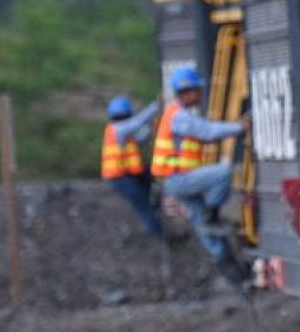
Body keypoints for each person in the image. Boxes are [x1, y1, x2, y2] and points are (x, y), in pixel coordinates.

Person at [152, 66, 248, 285]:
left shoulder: (176, 115)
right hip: (180, 180)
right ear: (187, 91)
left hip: (176, 181)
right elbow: (207, 131)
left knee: (205, 230)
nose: (201, 94)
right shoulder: (179, 116)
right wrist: (240, 128)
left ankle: (235, 276)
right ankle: (212, 212)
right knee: (223, 174)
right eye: (197, 90)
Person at [101, 96, 163, 238]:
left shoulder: (124, 133)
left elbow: (143, 135)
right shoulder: (118, 130)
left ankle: (156, 208)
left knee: (151, 173)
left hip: (129, 175)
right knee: (144, 208)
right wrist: (155, 106)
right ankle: (163, 238)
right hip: (121, 179)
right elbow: (138, 123)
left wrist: (156, 124)